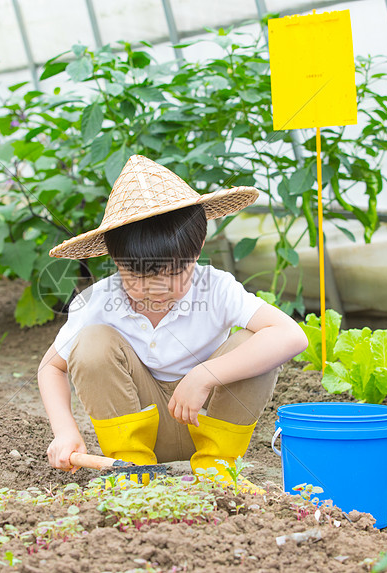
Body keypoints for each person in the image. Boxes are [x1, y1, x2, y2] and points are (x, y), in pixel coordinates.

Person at [37, 155, 308, 492]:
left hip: (207, 416)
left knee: (257, 341)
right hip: (142, 427)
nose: (158, 289)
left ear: (198, 251)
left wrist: (204, 376)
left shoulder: (216, 288)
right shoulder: (98, 301)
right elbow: (50, 368)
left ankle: (216, 471)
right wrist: (65, 431)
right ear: (115, 260)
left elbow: (291, 336)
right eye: (138, 276)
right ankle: (132, 473)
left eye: (175, 273)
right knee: (92, 343)